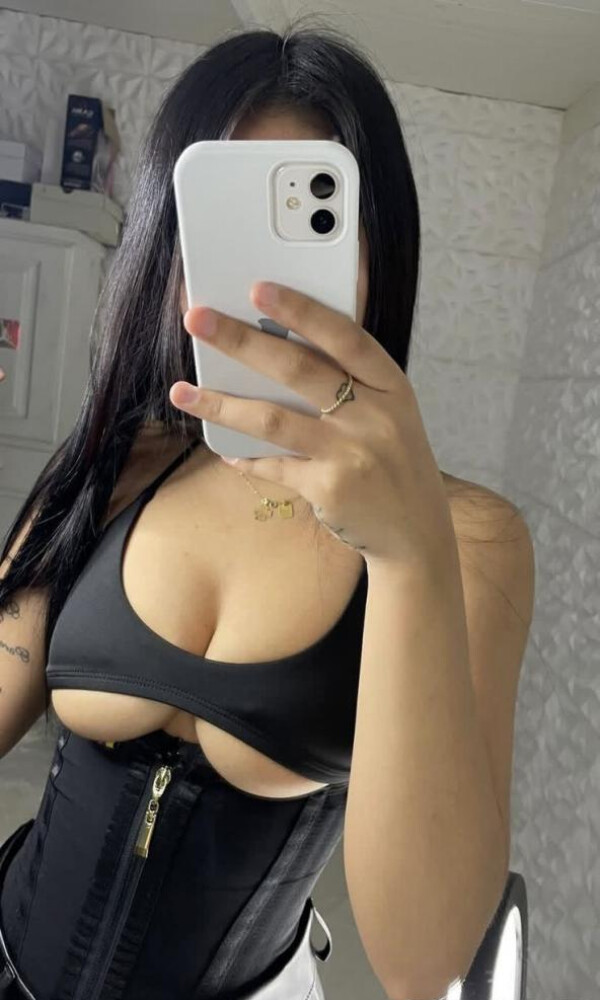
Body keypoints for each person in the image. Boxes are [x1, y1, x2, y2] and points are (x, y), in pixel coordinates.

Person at [0, 20, 534, 1000]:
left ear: (379, 251)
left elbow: (426, 964)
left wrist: (408, 550)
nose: (264, 285)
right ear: (168, 244)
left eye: (310, 225)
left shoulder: (464, 538)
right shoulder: (113, 465)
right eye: (228, 226)